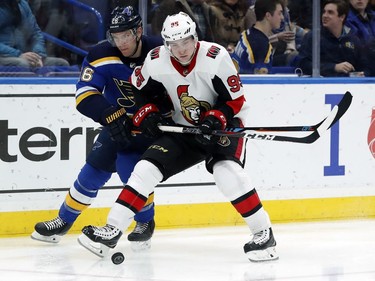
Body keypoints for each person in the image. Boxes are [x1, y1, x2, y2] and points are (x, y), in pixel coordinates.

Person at [78, 11, 278, 262]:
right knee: (145, 168)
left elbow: (235, 100)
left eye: (185, 42)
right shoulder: (155, 59)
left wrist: (216, 116)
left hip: (223, 126)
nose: (181, 50)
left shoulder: (216, 57)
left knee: (225, 171)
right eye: (173, 44)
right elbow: (138, 90)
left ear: (195, 38)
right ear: (165, 44)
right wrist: (147, 112)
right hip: (182, 127)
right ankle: (112, 230)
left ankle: (263, 233)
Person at [31, 6, 166, 250]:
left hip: (150, 128)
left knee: (130, 173)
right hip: (117, 126)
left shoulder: (160, 51)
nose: (120, 42)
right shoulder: (101, 54)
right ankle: (63, 221)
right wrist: (110, 115)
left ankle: (145, 222)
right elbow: (84, 94)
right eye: (116, 37)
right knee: (90, 174)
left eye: (125, 35)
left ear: (138, 31)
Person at [298, 0, 366, 77]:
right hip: (321, 85)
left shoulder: (353, 39)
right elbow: (303, 64)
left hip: (348, 85)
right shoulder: (313, 37)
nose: (325, 15)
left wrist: (360, 73)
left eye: (330, 12)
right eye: (324, 12)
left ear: (342, 17)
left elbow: (363, 65)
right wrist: (334, 67)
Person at [0, 0, 69, 67]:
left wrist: (37, 55)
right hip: (4, 56)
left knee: (62, 64)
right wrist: (18, 54)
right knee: (23, 64)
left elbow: (36, 33)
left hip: (25, 55)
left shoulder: (23, 4)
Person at [231, 0, 284, 74]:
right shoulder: (260, 45)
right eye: (279, 13)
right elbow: (260, 80)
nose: (282, 17)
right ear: (268, 15)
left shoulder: (248, 33)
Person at [150, 0, 215, 41]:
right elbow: (159, 35)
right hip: (177, 53)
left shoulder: (207, 9)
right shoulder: (170, 5)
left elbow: (211, 37)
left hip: (202, 53)